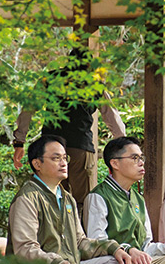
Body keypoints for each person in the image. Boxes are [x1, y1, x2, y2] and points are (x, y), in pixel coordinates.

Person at [7, 134, 165, 264]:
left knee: (121, 263)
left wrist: (114, 249)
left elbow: (81, 242)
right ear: (37, 164)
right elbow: (25, 249)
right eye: (56, 158)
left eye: (65, 158)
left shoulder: (67, 199)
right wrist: (56, 263)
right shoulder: (28, 198)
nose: (63, 163)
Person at [12, 49, 126, 212]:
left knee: (52, 198)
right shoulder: (94, 85)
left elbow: (28, 110)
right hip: (80, 148)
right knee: (83, 202)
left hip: (51, 149)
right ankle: (81, 236)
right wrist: (122, 148)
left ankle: (54, 236)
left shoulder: (49, 79)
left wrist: (19, 141)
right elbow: (113, 119)